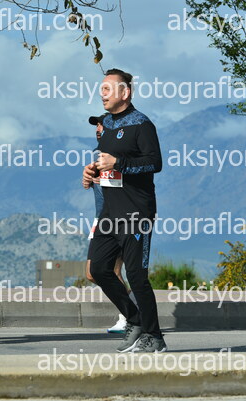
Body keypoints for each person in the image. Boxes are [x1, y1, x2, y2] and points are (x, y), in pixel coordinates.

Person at [83, 68, 166, 353]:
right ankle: (134, 319)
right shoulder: (106, 124)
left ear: (125, 92)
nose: (101, 94)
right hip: (109, 212)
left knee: (137, 276)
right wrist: (92, 172)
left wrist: (118, 163)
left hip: (136, 213)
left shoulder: (142, 124)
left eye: (107, 89)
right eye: (101, 89)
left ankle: (155, 337)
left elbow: (154, 163)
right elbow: (105, 162)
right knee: (98, 269)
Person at [83, 113, 136, 334]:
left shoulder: (118, 153)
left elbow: (127, 183)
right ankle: (133, 308)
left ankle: (130, 316)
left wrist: (104, 180)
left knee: (110, 271)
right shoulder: (98, 153)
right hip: (101, 217)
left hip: (119, 218)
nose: (98, 129)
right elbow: (98, 184)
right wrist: (88, 178)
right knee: (92, 273)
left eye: (102, 125)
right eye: (96, 125)